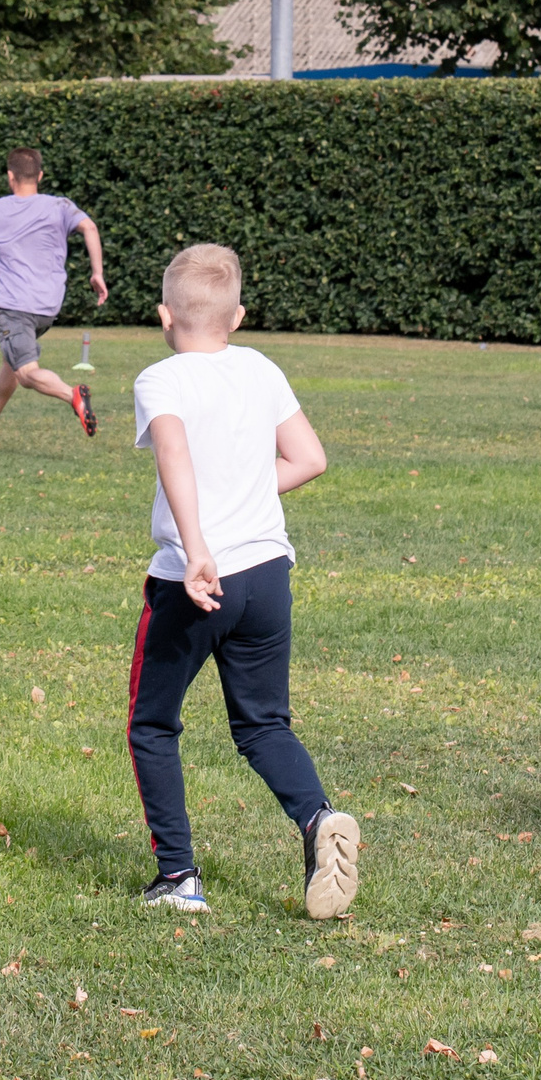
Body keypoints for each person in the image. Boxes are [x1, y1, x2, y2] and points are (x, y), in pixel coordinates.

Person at [125, 244, 357, 919]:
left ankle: (177, 876)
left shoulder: (160, 379)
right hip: (268, 574)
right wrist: (247, 491)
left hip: (194, 579)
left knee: (153, 722)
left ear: (165, 314)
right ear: (240, 315)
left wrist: (197, 547)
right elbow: (309, 458)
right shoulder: (260, 368)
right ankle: (318, 820)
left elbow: (173, 452)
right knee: (262, 724)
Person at [0, 148, 107, 443]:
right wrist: (96, 273)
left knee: (25, 372)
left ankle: (71, 394)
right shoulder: (59, 205)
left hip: (15, 307)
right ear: (39, 176)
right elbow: (89, 227)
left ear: (10, 177)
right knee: (10, 362)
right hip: (47, 309)